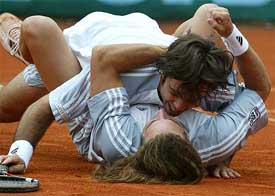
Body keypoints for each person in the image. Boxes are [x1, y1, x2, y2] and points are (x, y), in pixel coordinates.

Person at [0, 5, 270, 180]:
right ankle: (13, 33)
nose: (178, 106)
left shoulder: (122, 139)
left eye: (190, 99)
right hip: (111, 44)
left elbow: (102, 59)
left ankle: (19, 38)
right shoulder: (203, 116)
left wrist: (20, 153)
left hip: (91, 65)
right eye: (177, 93)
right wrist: (231, 34)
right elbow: (259, 91)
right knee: (209, 13)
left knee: (37, 29)